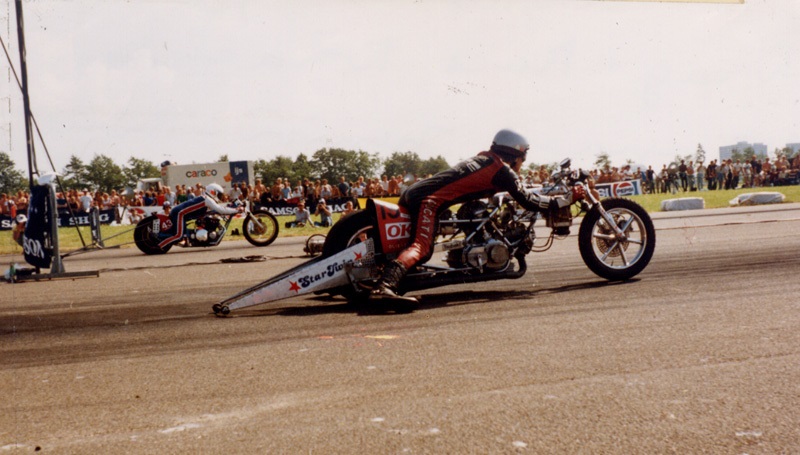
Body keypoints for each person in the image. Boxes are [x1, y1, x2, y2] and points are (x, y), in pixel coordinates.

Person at [371, 129, 569, 300]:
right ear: (516, 154)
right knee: (421, 247)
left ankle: (405, 275)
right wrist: (560, 201)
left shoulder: (484, 159)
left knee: (415, 244)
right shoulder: (502, 170)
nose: (523, 163)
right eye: (523, 158)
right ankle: (385, 285)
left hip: (415, 192)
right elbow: (527, 200)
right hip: (428, 200)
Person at [157, 183, 242, 248]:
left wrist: (231, 207)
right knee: (178, 236)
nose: (220, 197)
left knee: (181, 234)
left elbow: (217, 209)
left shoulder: (206, 198)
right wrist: (236, 210)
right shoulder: (207, 199)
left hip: (182, 214)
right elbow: (220, 209)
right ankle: (159, 245)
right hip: (180, 213)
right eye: (219, 194)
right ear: (213, 192)